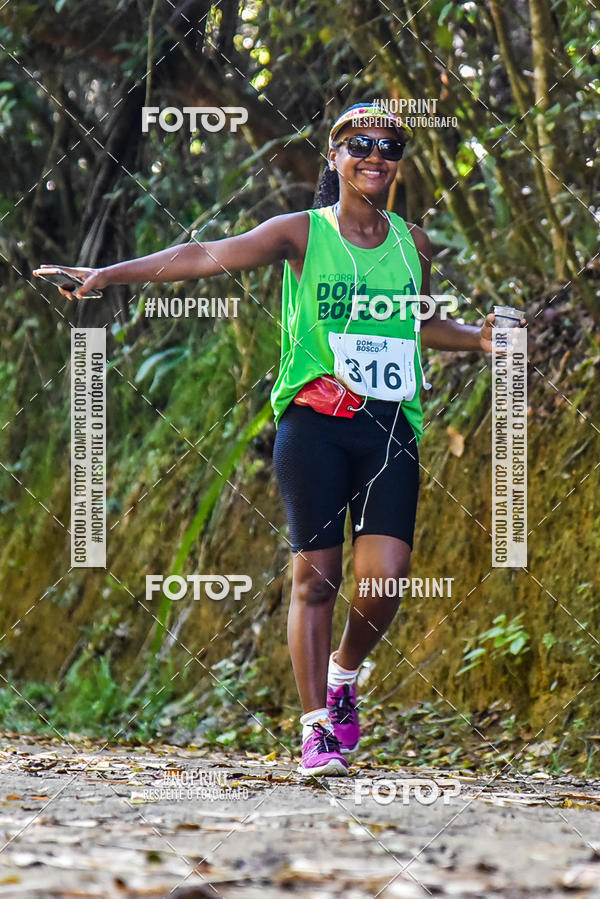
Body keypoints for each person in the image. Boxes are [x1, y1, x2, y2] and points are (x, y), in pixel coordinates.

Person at [36, 101, 515, 778]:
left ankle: (345, 673)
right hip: (313, 423)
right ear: (335, 157)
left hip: (388, 426)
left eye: (390, 144)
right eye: (360, 144)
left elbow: (420, 324)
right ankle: (317, 727)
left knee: (384, 582)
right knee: (315, 580)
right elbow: (206, 254)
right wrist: (108, 276)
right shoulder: (300, 233)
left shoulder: (415, 243)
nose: (376, 154)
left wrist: (478, 338)